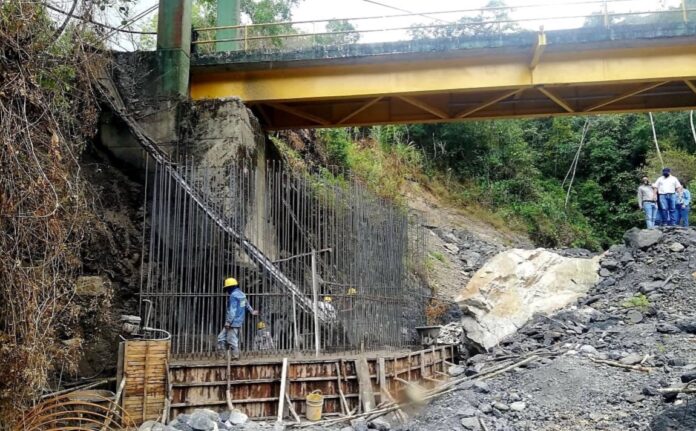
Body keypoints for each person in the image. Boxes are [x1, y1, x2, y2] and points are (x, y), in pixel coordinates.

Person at [217, 277, 258, 359]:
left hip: (233, 322)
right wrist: (252, 311)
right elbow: (246, 304)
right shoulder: (242, 294)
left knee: (232, 340)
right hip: (239, 320)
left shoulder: (233, 296)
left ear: (230, 287)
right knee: (221, 337)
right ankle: (221, 356)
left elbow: (233, 310)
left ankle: (235, 357)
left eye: (227, 288)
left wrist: (228, 322)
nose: (227, 291)